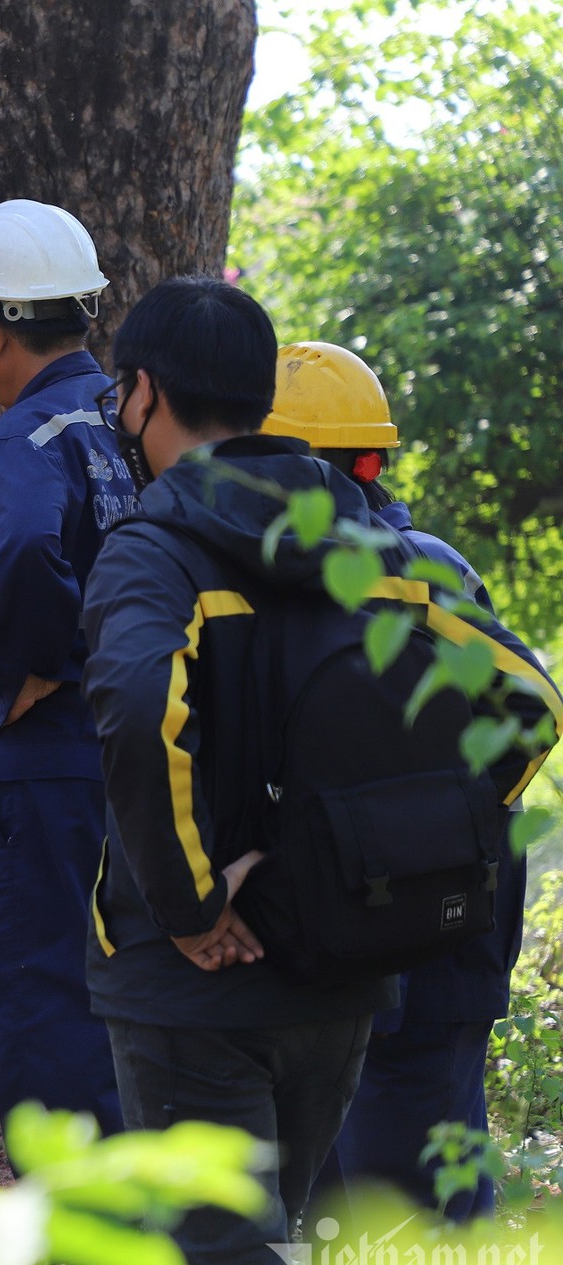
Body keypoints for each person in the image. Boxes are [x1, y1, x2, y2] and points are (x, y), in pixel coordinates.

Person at [81, 279, 557, 1265]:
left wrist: (197, 902)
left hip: (191, 987)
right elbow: (526, 701)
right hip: (338, 980)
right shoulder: (387, 556)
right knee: (281, 1247)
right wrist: (365, 856)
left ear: (143, 393)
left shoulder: (155, 549)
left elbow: (128, 700)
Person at [267, 341, 537, 1220]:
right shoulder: (430, 565)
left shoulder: (374, 581)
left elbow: (534, 709)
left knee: (401, 1171)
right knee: (398, 1154)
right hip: (446, 912)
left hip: (413, 924)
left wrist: (417, 827)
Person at [0, 199, 136, 1136]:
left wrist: (28, 668)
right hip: (152, 747)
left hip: (52, 759)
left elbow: (22, 548)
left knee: (46, 996)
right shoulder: (135, 424)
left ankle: (74, 1246)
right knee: (137, 995)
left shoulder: (27, 433)